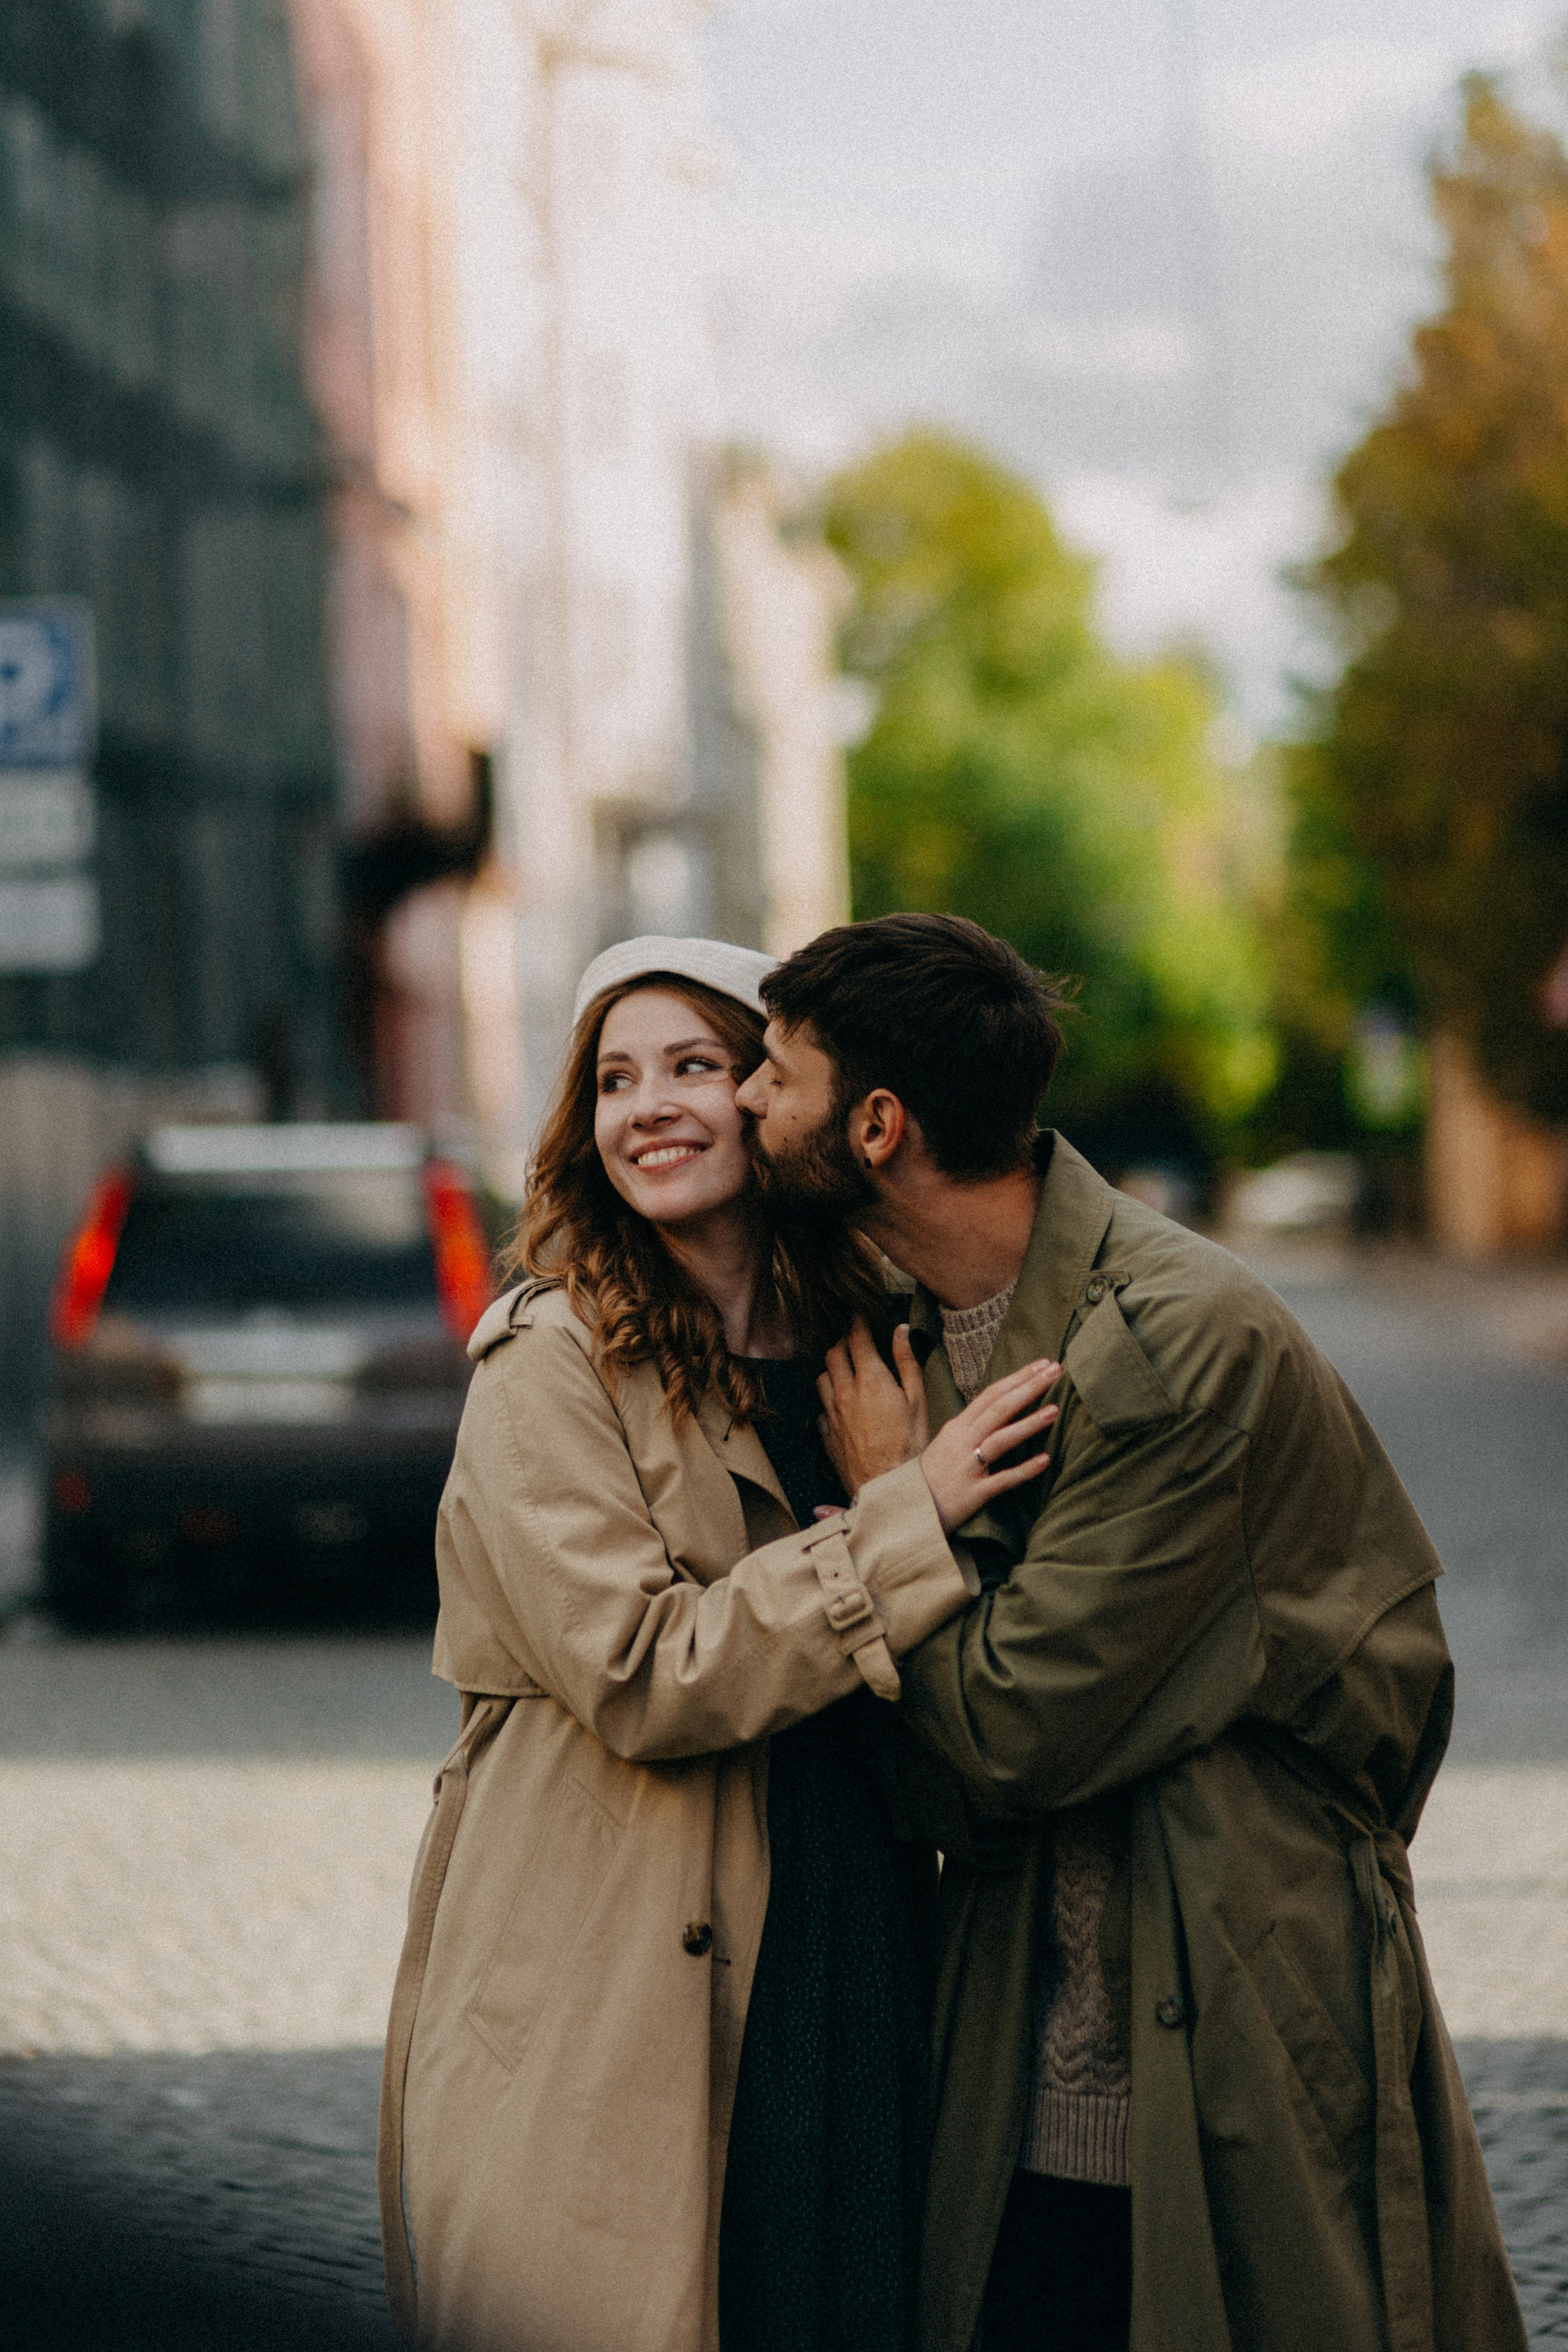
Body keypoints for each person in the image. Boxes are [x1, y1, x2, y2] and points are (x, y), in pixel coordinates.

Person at [736, 911, 1528, 2352]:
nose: (741, 1100)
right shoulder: (895, 1330)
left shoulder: (1171, 1340)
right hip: (1011, 2049)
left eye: (771, 1074)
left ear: (875, 1125)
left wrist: (890, 1501)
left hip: (1210, 2035)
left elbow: (1001, 1736)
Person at [376, 935, 1060, 2352]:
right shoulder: (548, 1360)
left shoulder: (868, 1337)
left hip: (849, 1921)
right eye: (614, 1080)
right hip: (615, 1963)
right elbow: (642, 1672)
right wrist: (905, 1512)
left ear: (772, 1097)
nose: (649, 1108)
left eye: (692, 1065)